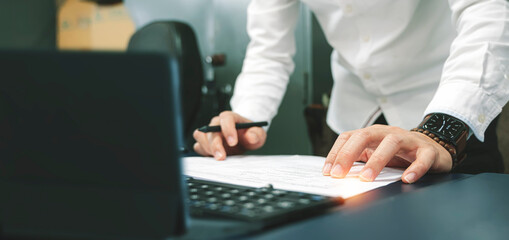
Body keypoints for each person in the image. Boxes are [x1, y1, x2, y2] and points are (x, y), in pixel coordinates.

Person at [193, 0, 509, 183]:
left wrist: (442, 129)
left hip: (450, 105)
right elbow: (269, 50)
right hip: (354, 118)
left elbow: (489, 13)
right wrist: (245, 120)